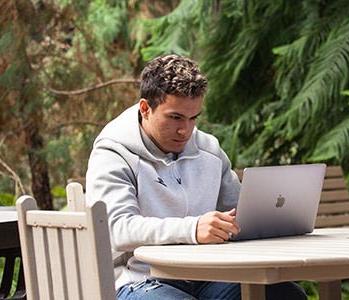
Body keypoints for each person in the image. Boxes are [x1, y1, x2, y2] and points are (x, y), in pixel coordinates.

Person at [86, 54, 307, 299]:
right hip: (140, 279)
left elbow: (239, 215)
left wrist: (267, 221)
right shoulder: (113, 152)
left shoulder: (209, 150)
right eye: (175, 117)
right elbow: (118, 228)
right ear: (145, 108)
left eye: (193, 118)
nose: (185, 130)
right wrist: (192, 229)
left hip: (208, 276)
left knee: (286, 295)